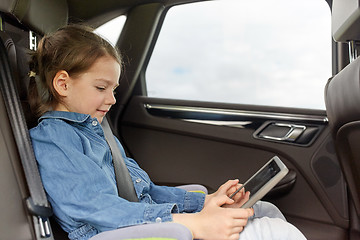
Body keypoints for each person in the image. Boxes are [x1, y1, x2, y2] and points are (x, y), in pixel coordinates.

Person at [29, 24, 306, 240]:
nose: (112, 99)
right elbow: (101, 211)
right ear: (63, 84)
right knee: (274, 232)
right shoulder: (55, 139)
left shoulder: (97, 131)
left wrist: (204, 202)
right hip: (123, 233)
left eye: (113, 90)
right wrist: (195, 223)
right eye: (101, 88)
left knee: (264, 211)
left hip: (148, 223)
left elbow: (145, 191)